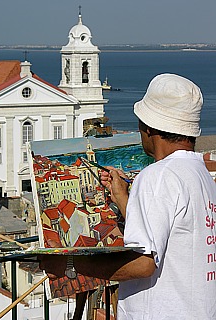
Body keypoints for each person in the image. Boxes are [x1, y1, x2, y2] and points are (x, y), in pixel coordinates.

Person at [39, 73, 216, 319]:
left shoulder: (158, 176)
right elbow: (167, 237)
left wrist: (71, 265)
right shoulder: (201, 174)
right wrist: (122, 198)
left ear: (150, 127)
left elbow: (144, 264)